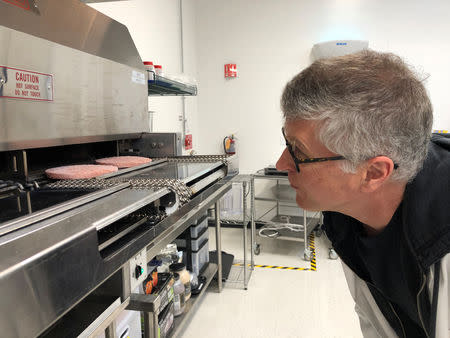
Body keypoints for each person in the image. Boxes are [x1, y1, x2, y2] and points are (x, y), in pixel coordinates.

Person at [276, 50, 449, 337]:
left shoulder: (442, 238)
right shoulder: (345, 218)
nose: (282, 163)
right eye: (287, 142)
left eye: (299, 151)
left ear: (373, 173)